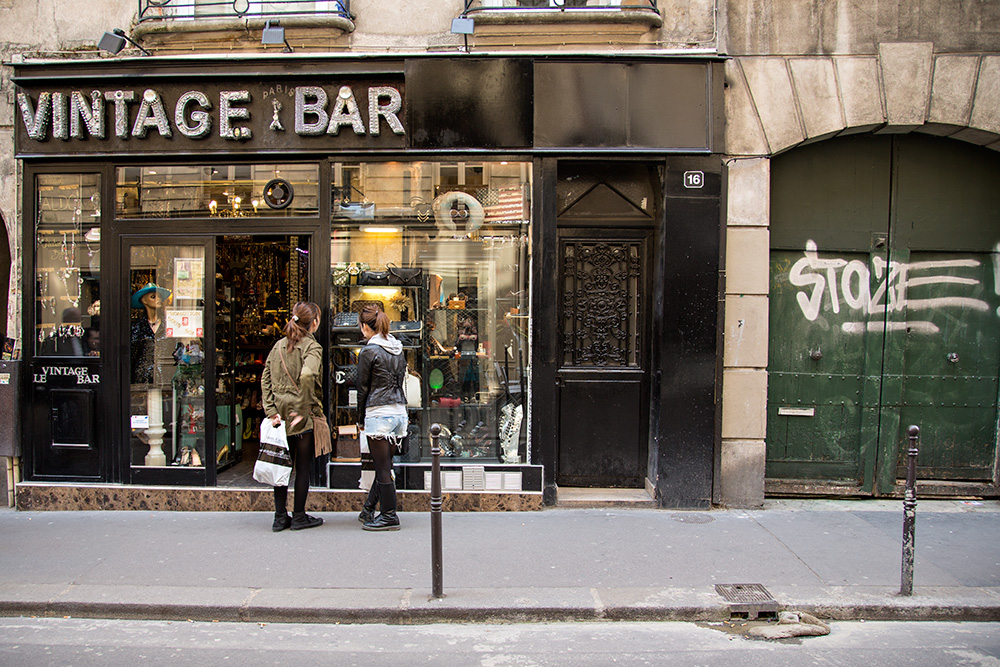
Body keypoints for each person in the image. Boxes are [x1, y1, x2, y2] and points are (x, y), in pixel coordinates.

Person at [261, 301, 324, 532]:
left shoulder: (278, 346)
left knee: (281, 466)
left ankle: (280, 516)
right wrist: (301, 406)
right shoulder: (312, 347)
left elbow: (265, 378)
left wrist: (271, 411)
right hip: (301, 416)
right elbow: (308, 374)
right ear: (314, 322)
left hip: (279, 416)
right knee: (303, 469)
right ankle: (298, 516)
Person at [356, 304, 408, 531]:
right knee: (384, 466)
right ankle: (369, 508)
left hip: (378, 413)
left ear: (366, 326)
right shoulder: (397, 347)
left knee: (382, 468)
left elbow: (362, 389)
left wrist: (359, 418)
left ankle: (389, 515)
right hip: (399, 414)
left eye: (361, 326)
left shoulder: (369, 351)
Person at [130, 283, 171, 384]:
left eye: (159, 296)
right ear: (144, 301)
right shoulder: (136, 327)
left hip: (165, 378)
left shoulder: (169, 326)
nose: (158, 299)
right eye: (153, 297)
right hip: (142, 379)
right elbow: (132, 356)